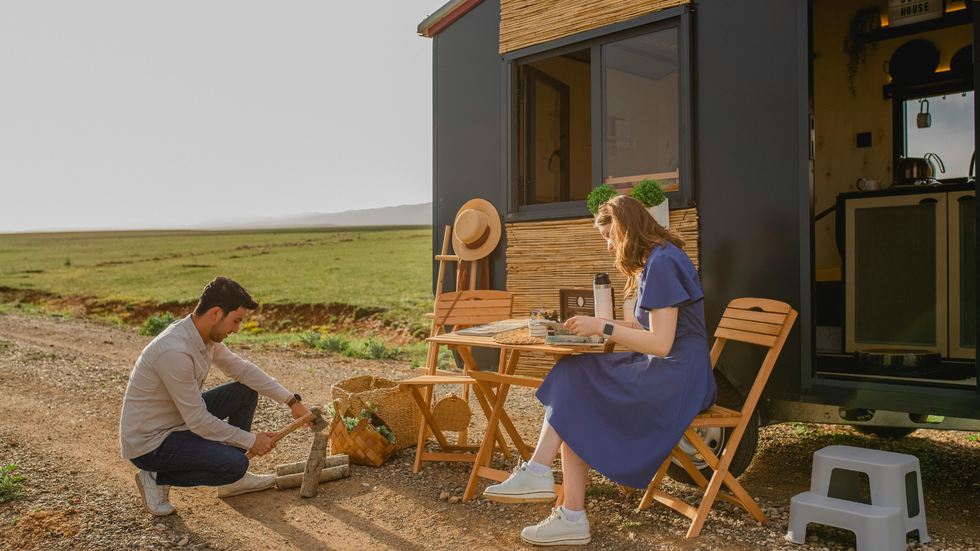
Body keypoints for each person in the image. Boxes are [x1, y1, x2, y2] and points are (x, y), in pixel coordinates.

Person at [483, 195, 717, 546]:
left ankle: (553, 491)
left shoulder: (664, 263)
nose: (608, 246)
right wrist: (604, 322)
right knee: (572, 373)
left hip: (676, 377)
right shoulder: (658, 258)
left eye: (610, 236)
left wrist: (603, 328)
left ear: (626, 230)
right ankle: (554, 492)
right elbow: (652, 332)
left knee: (577, 383)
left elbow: (662, 343)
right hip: (666, 367)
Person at [119, 276, 311, 516]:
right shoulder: (174, 351)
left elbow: (243, 370)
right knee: (235, 465)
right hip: (151, 442)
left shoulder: (203, 336)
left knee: (245, 391)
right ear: (216, 312)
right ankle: (155, 476)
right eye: (235, 321)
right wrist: (250, 441)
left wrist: (292, 402)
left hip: (178, 421)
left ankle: (232, 483)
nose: (236, 329)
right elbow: (198, 421)